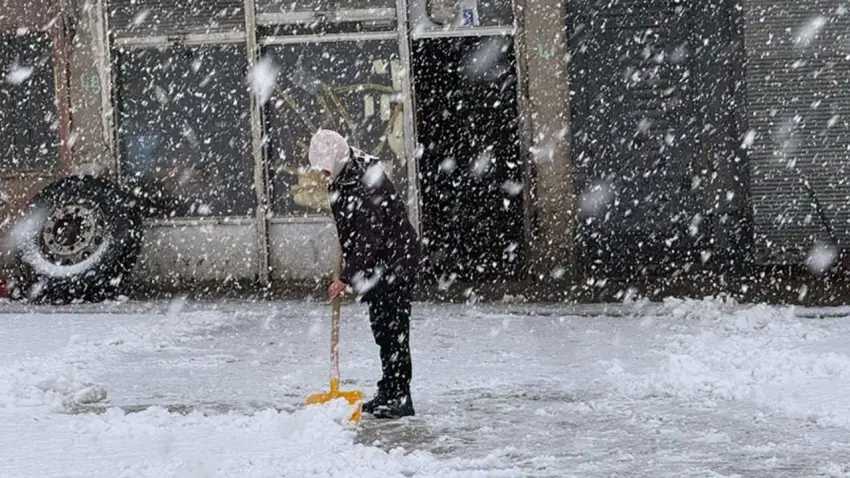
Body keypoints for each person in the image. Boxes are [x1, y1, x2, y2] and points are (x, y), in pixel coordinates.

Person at [308, 129, 420, 419]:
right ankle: (389, 390)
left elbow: (370, 235)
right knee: (383, 329)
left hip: (394, 261)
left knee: (394, 330)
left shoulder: (364, 180)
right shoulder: (344, 175)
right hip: (378, 265)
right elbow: (354, 229)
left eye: (324, 167)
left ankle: (399, 397)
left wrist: (346, 277)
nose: (321, 173)